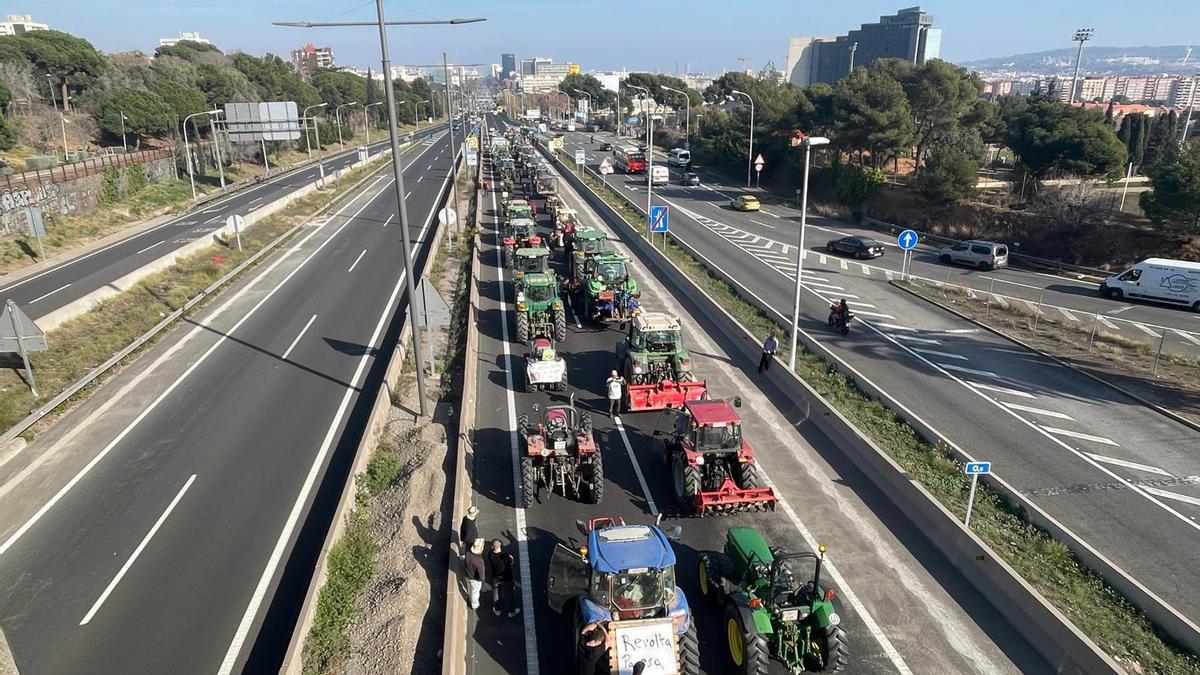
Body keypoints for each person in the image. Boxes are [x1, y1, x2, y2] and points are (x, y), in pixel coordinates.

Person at [487, 539, 521, 617]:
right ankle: (511, 611)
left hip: (496, 578)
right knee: (509, 595)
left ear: (492, 547)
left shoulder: (490, 555)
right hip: (507, 578)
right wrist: (511, 558)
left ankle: (497, 609)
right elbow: (511, 562)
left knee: (496, 593)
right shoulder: (505, 556)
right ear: (500, 545)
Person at [463, 538, 486, 610]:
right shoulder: (479, 561)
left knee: (470, 588)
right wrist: (482, 580)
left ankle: (470, 598)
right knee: (475, 592)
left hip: (467, 575)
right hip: (474, 579)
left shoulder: (468, 553)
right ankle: (474, 604)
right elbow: (481, 575)